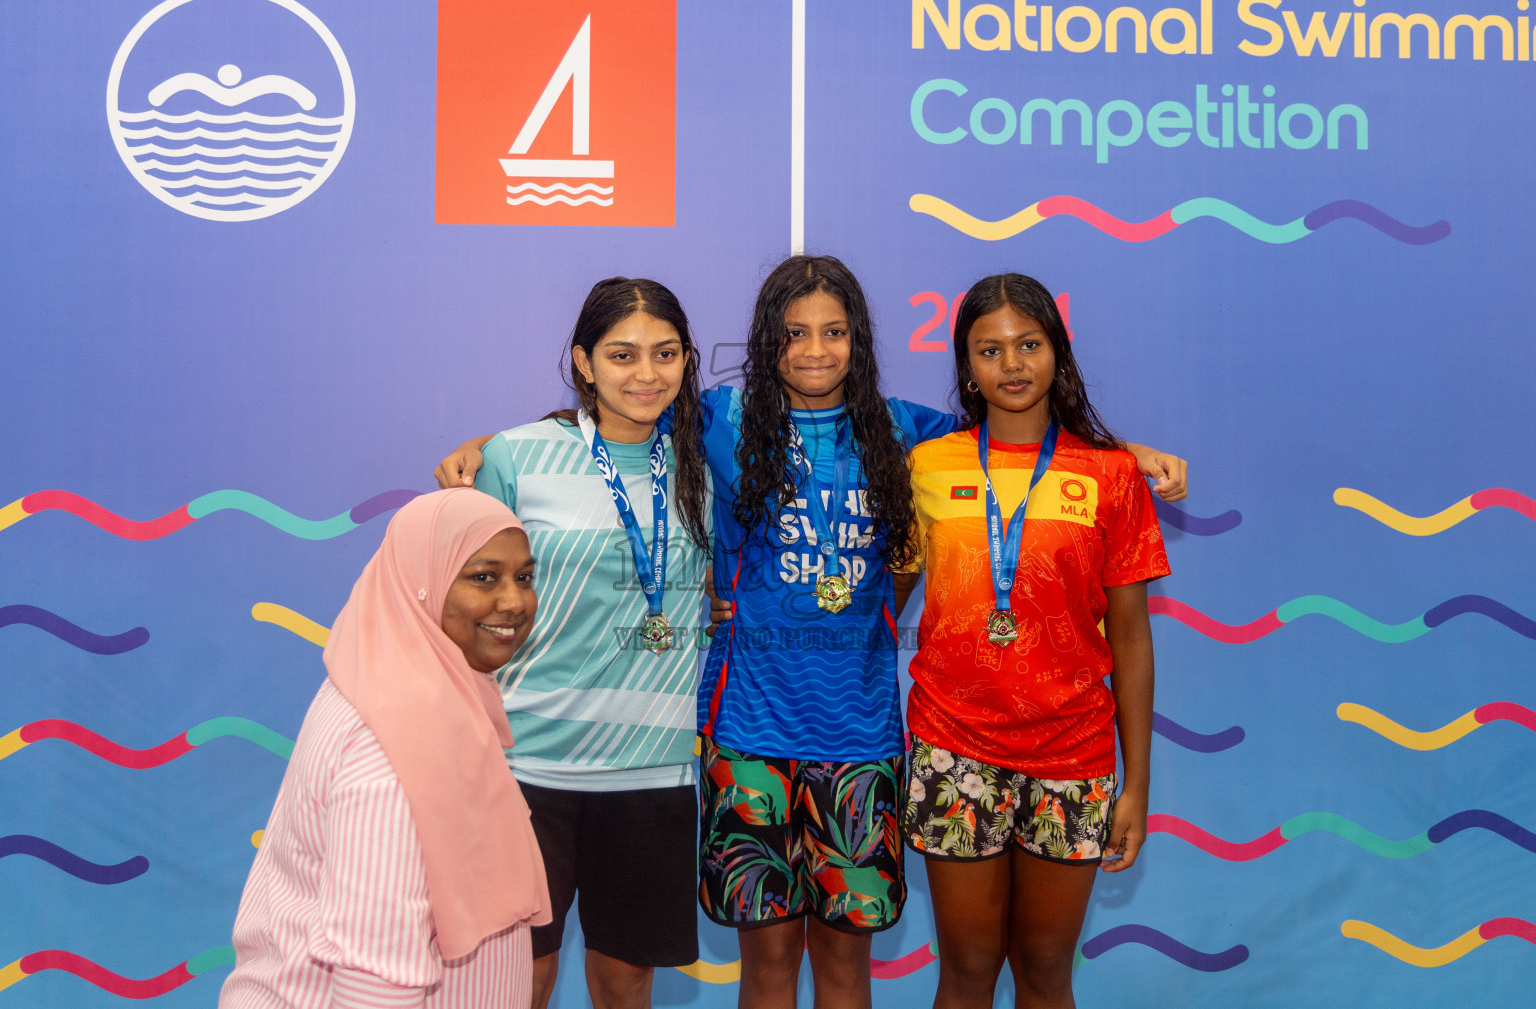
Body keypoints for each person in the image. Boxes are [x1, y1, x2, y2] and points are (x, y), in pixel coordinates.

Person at [436, 256, 1185, 1009]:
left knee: (843, 968)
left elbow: (1012, 444)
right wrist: (490, 445)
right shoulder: (722, 419)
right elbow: (618, 415)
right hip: (747, 740)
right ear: (768, 341)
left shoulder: (904, 433)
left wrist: (1125, 456)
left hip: (860, 740)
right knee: (766, 969)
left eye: (834, 332)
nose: (816, 351)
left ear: (858, 339)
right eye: (795, 334)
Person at [435, 277, 713, 1009]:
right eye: (622, 355)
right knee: (519, 982)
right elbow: (462, 604)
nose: (646, 374)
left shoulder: (707, 464)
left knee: (625, 985)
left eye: (665, 354)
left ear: (687, 361)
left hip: (651, 773)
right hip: (527, 768)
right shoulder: (515, 458)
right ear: (583, 362)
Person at [898, 273, 1167, 1009]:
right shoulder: (926, 464)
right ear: (966, 367)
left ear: (1058, 354)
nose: (1011, 364)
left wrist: (1135, 784)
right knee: (967, 970)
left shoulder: (1112, 476)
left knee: (1047, 970)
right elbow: (877, 599)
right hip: (953, 747)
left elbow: (1133, 640)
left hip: (1073, 756)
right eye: (990, 349)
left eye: (1029, 344)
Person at [220, 488, 551, 1009]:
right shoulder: (397, 747)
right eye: (483, 577)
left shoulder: (400, 684)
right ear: (421, 583)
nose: (514, 601)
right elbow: (375, 978)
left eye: (524, 577)